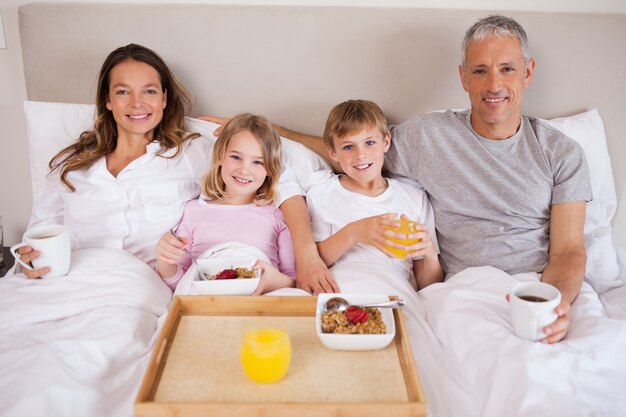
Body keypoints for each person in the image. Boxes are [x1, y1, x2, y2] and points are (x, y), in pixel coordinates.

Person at [270, 15, 592, 344]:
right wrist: (275, 134)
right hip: (463, 290)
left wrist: (554, 303)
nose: (494, 85)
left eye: (507, 68)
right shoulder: (429, 136)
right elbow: (356, 151)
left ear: (527, 72)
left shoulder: (561, 153)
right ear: (464, 77)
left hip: (535, 287)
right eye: (480, 70)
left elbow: (568, 251)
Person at [14, 43, 307, 283]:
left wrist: (308, 257)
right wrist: (30, 261)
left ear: (165, 99)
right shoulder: (71, 164)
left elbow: (278, 179)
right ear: (107, 100)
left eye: (150, 91)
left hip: (138, 285)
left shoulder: (191, 153)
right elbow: (38, 235)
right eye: (123, 91)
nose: (137, 103)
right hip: (65, 282)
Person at [307, 99, 442, 292]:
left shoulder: (412, 197)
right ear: (332, 152)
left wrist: (429, 255)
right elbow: (313, 262)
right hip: (345, 287)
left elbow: (429, 285)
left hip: (396, 291)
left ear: (385, 142)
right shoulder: (322, 193)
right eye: (348, 147)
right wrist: (354, 233)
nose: (360, 155)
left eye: (369, 142)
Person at [155, 113, 296, 295]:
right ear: (220, 156)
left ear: (270, 169)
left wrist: (274, 280)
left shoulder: (276, 214)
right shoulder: (193, 211)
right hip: (208, 299)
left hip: (258, 297)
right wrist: (165, 260)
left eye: (258, 162)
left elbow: (293, 280)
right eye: (236, 157)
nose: (244, 170)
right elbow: (181, 283)